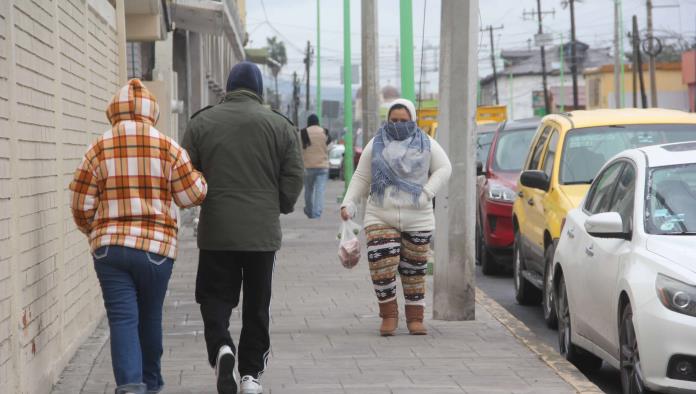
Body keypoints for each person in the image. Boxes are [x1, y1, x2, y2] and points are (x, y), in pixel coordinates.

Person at [69, 79, 208, 394]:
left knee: (122, 319)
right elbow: (191, 196)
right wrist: (199, 175)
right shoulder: (168, 146)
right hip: (156, 250)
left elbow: (80, 202)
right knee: (149, 317)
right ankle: (152, 382)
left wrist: (92, 229)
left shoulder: (98, 147)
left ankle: (131, 386)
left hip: (110, 249)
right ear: (152, 112)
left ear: (113, 111)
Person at [182, 61, 304, 394]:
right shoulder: (280, 126)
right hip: (261, 235)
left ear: (229, 86)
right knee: (257, 303)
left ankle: (222, 346)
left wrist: (199, 201)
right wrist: (278, 205)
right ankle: (251, 375)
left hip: (217, 230)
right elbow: (294, 175)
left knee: (214, 297)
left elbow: (184, 174)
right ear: (259, 90)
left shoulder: (202, 123)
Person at [340, 98, 452, 336]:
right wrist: (348, 202)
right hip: (380, 214)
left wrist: (427, 192)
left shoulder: (427, 143)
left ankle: (415, 318)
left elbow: (445, 168)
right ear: (387, 120)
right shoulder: (376, 144)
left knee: (414, 269)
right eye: (394, 120)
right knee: (382, 265)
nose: (398, 124)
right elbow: (361, 177)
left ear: (413, 120)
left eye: (404, 120)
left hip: (418, 217)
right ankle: (389, 315)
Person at [300, 114, 332, 218]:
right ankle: (317, 213)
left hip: (307, 167)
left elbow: (299, 149)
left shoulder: (303, 133)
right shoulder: (325, 132)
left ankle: (309, 211)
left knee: (308, 190)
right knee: (320, 190)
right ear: (318, 122)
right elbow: (330, 147)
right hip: (322, 166)